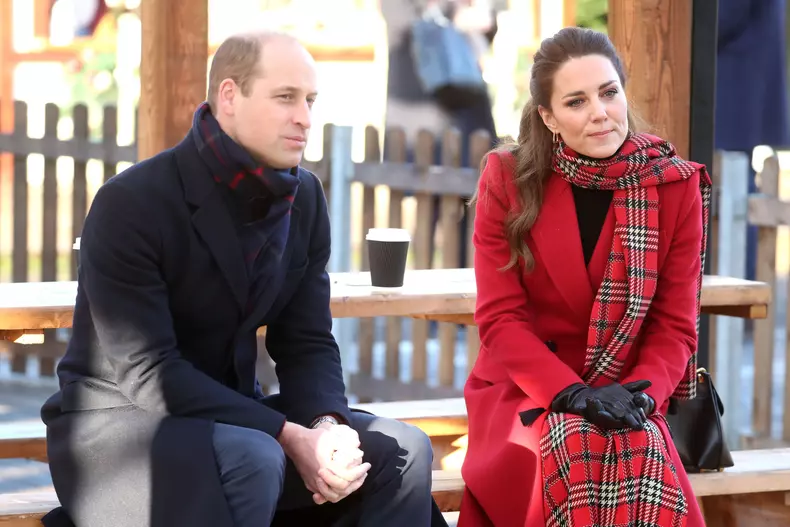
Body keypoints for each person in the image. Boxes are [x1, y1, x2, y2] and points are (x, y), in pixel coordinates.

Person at [39, 31, 445, 527]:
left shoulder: (306, 199)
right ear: (229, 96)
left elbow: (308, 342)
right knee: (255, 455)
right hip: (119, 433)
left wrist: (326, 425)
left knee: (402, 450)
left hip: (238, 424)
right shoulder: (132, 202)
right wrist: (288, 434)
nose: (305, 118)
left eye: (310, 101)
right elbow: (151, 375)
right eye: (286, 98)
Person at [458, 27, 709, 526]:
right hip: (528, 390)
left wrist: (639, 397)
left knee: (641, 448)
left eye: (608, 92)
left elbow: (675, 328)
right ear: (548, 117)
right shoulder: (508, 177)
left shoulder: (675, 185)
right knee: (570, 442)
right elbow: (501, 320)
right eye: (576, 101)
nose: (600, 112)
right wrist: (572, 395)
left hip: (628, 392)